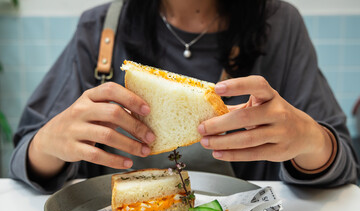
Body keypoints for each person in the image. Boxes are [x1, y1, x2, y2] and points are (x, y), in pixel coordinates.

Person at [10, 0, 359, 193]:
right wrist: (47, 144)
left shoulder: (281, 25)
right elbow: (26, 157)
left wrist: (310, 139)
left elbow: (341, 163)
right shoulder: (100, 27)